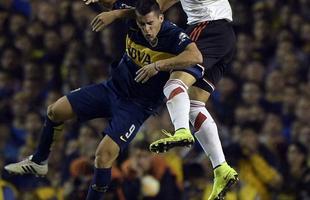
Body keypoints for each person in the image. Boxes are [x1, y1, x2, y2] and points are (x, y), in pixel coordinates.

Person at [4, 0, 203, 199]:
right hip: (111, 90)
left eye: (151, 23)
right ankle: (39, 161)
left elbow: (196, 56)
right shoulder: (135, 22)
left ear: (161, 18)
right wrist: (104, 5)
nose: (146, 29)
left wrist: (158, 66)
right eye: (142, 24)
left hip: (135, 107)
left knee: (103, 156)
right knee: (55, 110)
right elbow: (115, 4)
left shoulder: (173, 35)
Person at [87, 0, 239, 199]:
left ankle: (182, 131)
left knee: (173, 84)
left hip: (207, 26)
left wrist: (115, 13)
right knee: (194, 103)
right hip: (226, 35)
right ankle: (222, 168)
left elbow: (153, 8)